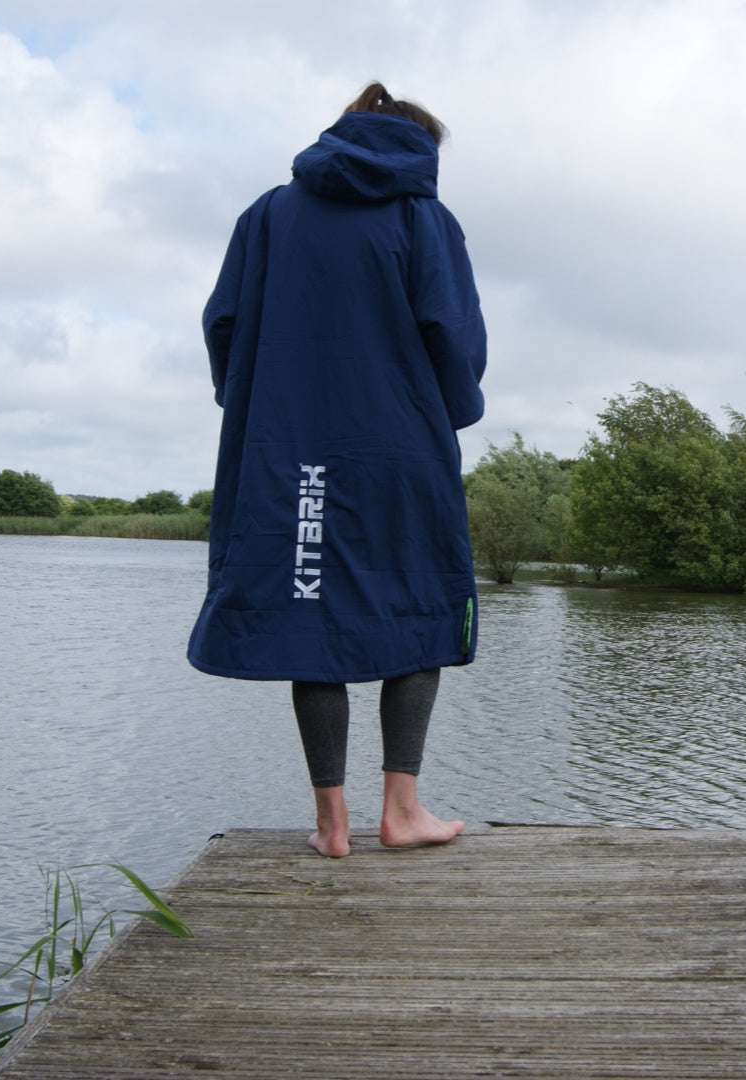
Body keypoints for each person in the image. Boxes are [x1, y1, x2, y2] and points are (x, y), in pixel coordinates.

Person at [187, 82, 487, 858]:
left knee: (307, 611)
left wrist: (251, 402)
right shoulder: (423, 217)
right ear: (421, 147)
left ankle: (331, 825)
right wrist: (447, 409)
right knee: (417, 602)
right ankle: (403, 810)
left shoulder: (267, 216)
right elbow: (451, 334)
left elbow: (222, 321)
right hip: (401, 447)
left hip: (289, 445)